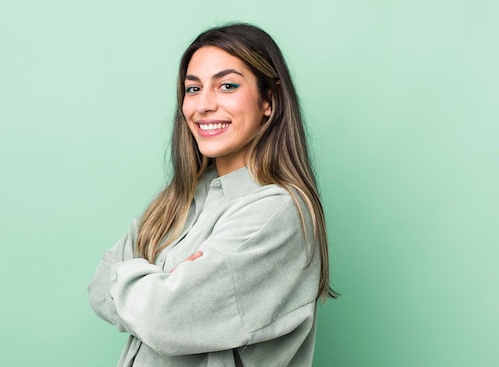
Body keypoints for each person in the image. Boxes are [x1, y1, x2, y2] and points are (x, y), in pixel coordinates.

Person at [88, 22, 336, 366]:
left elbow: (163, 319)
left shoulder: (276, 213)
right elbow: (97, 288)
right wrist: (160, 286)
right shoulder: (177, 200)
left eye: (227, 86)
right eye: (193, 89)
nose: (203, 105)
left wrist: (135, 275)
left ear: (269, 99)